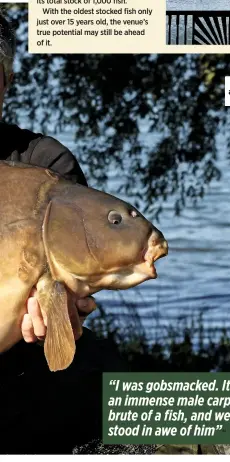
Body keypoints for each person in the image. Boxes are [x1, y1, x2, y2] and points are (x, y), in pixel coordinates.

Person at [0, 11, 128, 455]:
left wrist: (61, 314)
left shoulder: (47, 167)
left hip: (16, 370)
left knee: (103, 371)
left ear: (7, 82)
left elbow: (66, 302)